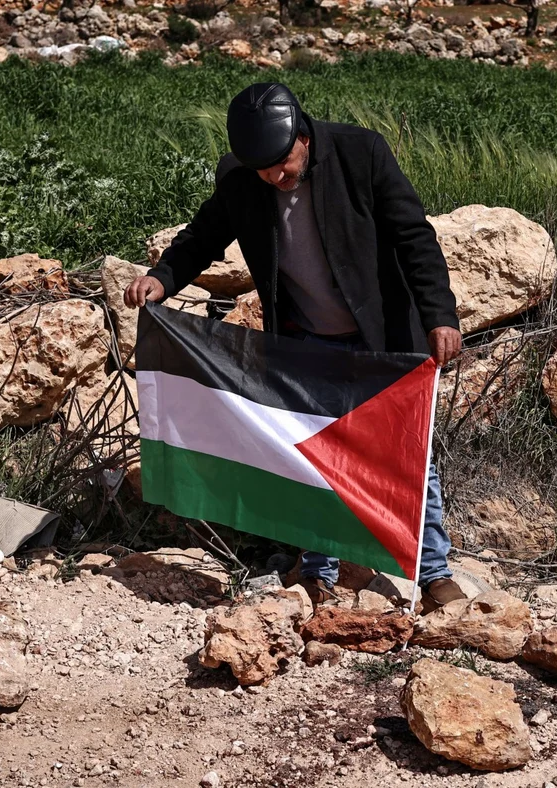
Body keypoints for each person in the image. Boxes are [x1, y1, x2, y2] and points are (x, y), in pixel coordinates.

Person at [125, 82, 467, 613]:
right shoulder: (241, 176)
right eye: (263, 171)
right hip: (305, 343)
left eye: (282, 167)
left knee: (406, 455)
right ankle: (317, 574)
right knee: (310, 456)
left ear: (303, 137)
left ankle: (434, 574)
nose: (274, 179)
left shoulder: (362, 152)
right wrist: (163, 277)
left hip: (381, 339)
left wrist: (439, 315)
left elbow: (413, 237)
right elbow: (204, 235)